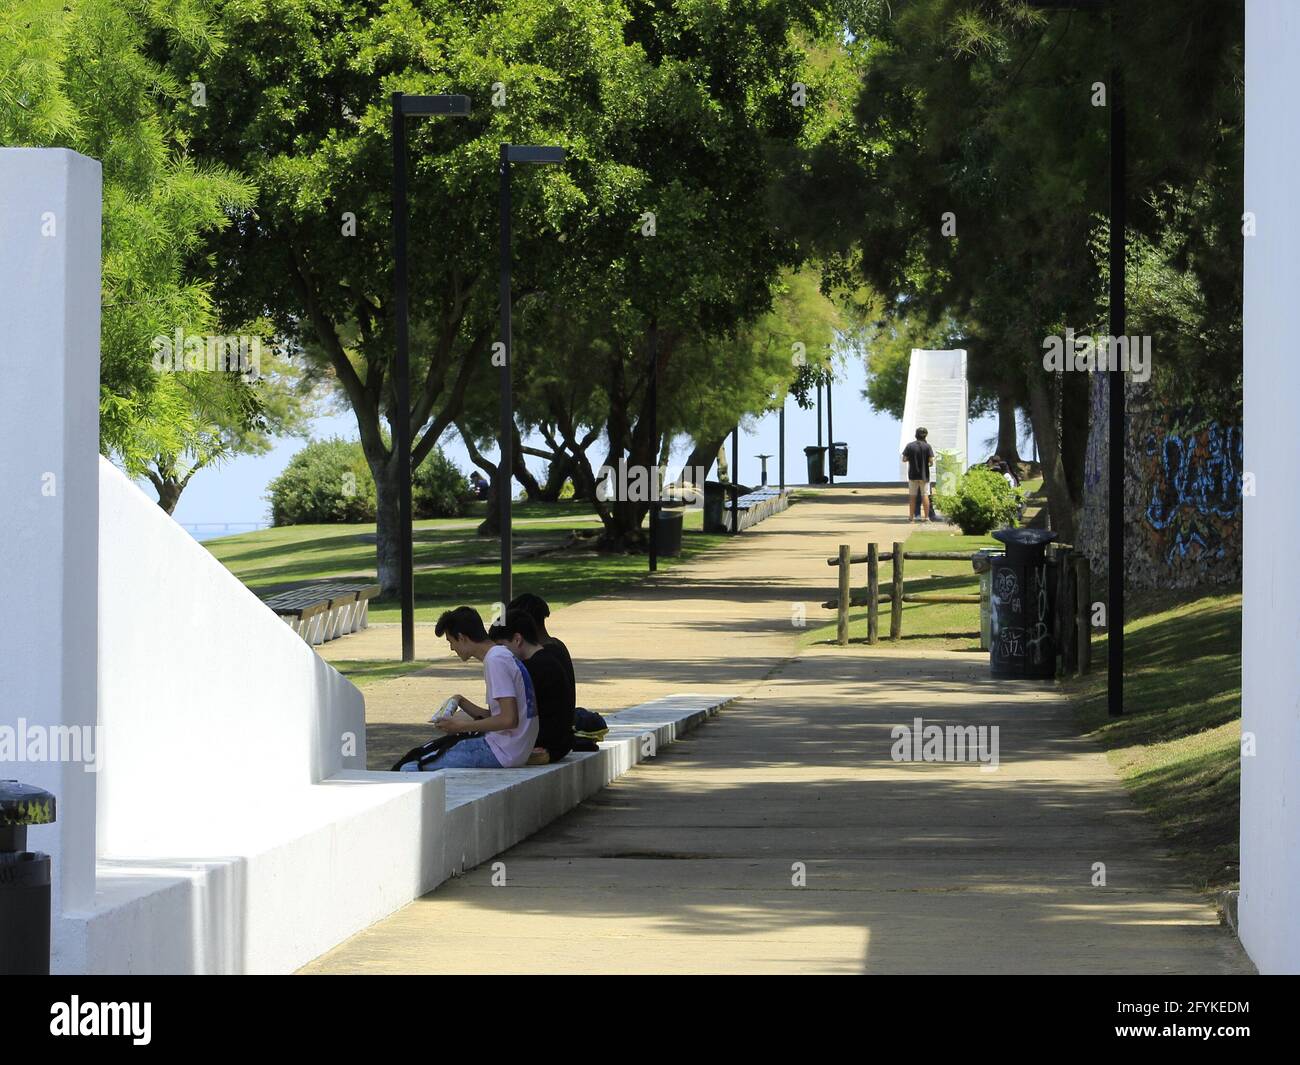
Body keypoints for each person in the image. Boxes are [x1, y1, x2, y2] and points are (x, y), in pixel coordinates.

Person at [396, 606, 538, 771]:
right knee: (425, 754)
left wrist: (459, 727)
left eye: (451, 641)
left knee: (410, 768)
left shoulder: (496, 661)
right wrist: (461, 700)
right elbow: (498, 716)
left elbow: (508, 720)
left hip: (502, 751)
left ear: (462, 638)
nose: (451, 648)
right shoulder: (502, 655)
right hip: (513, 748)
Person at [490, 611, 574, 764]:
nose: (499, 653)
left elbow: (507, 716)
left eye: (501, 646)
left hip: (545, 744)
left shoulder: (530, 668)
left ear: (517, 639)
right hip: (560, 742)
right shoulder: (548, 658)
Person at [901, 427, 935, 523]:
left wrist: (911, 458)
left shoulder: (910, 446)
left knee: (912, 496)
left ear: (916, 435)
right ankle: (927, 517)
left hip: (913, 474)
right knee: (925, 495)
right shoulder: (927, 446)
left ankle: (911, 518)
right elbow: (931, 461)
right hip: (924, 476)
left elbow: (904, 459)